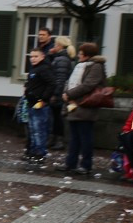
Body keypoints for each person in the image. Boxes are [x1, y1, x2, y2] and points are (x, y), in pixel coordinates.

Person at [56, 43, 106, 175]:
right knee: (74, 137)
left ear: (87, 55)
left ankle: (86, 165)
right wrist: (66, 94)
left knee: (85, 137)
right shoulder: (80, 66)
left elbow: (88, 85)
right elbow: (70, 82)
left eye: (81, 52)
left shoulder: (96, 67)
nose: (78, 55)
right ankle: (70, 163)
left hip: (85, 105)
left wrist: (70, 94)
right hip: (74, 104)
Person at [23, 48, 56, 164]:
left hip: (39, 104)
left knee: (39, 130)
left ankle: (40, 153)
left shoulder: (44, 69)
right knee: (32, 130)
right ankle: (33, 151)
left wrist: (43, 99)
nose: (32, 59)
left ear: (42, 57)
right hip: (31, 103)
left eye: (35, 56)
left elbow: (52, 83)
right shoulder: (34, 69)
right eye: (31, 57)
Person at [48, 36, 76, 151]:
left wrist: (55, 94)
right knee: (56, 117)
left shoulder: (61, 60)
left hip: (59, 93)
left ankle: (58, 140)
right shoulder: (63, 58)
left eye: (55, 45)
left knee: (57, 118)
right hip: (60, 92)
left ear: (59, 46)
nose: (54, 47)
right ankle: (54, 139)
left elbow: (60, 79)